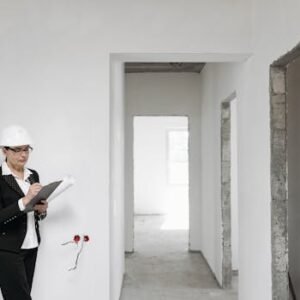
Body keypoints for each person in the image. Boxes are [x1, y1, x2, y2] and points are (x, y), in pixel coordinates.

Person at [0, 125, 48, 300]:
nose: (24, 155)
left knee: (23, 295)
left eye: (27, 149)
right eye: (18, 150)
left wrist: (40, 211)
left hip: (31, 245)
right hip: (8, 250)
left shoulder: (32, 175)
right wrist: (25, 201)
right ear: (4, 150)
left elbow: (34, 212)